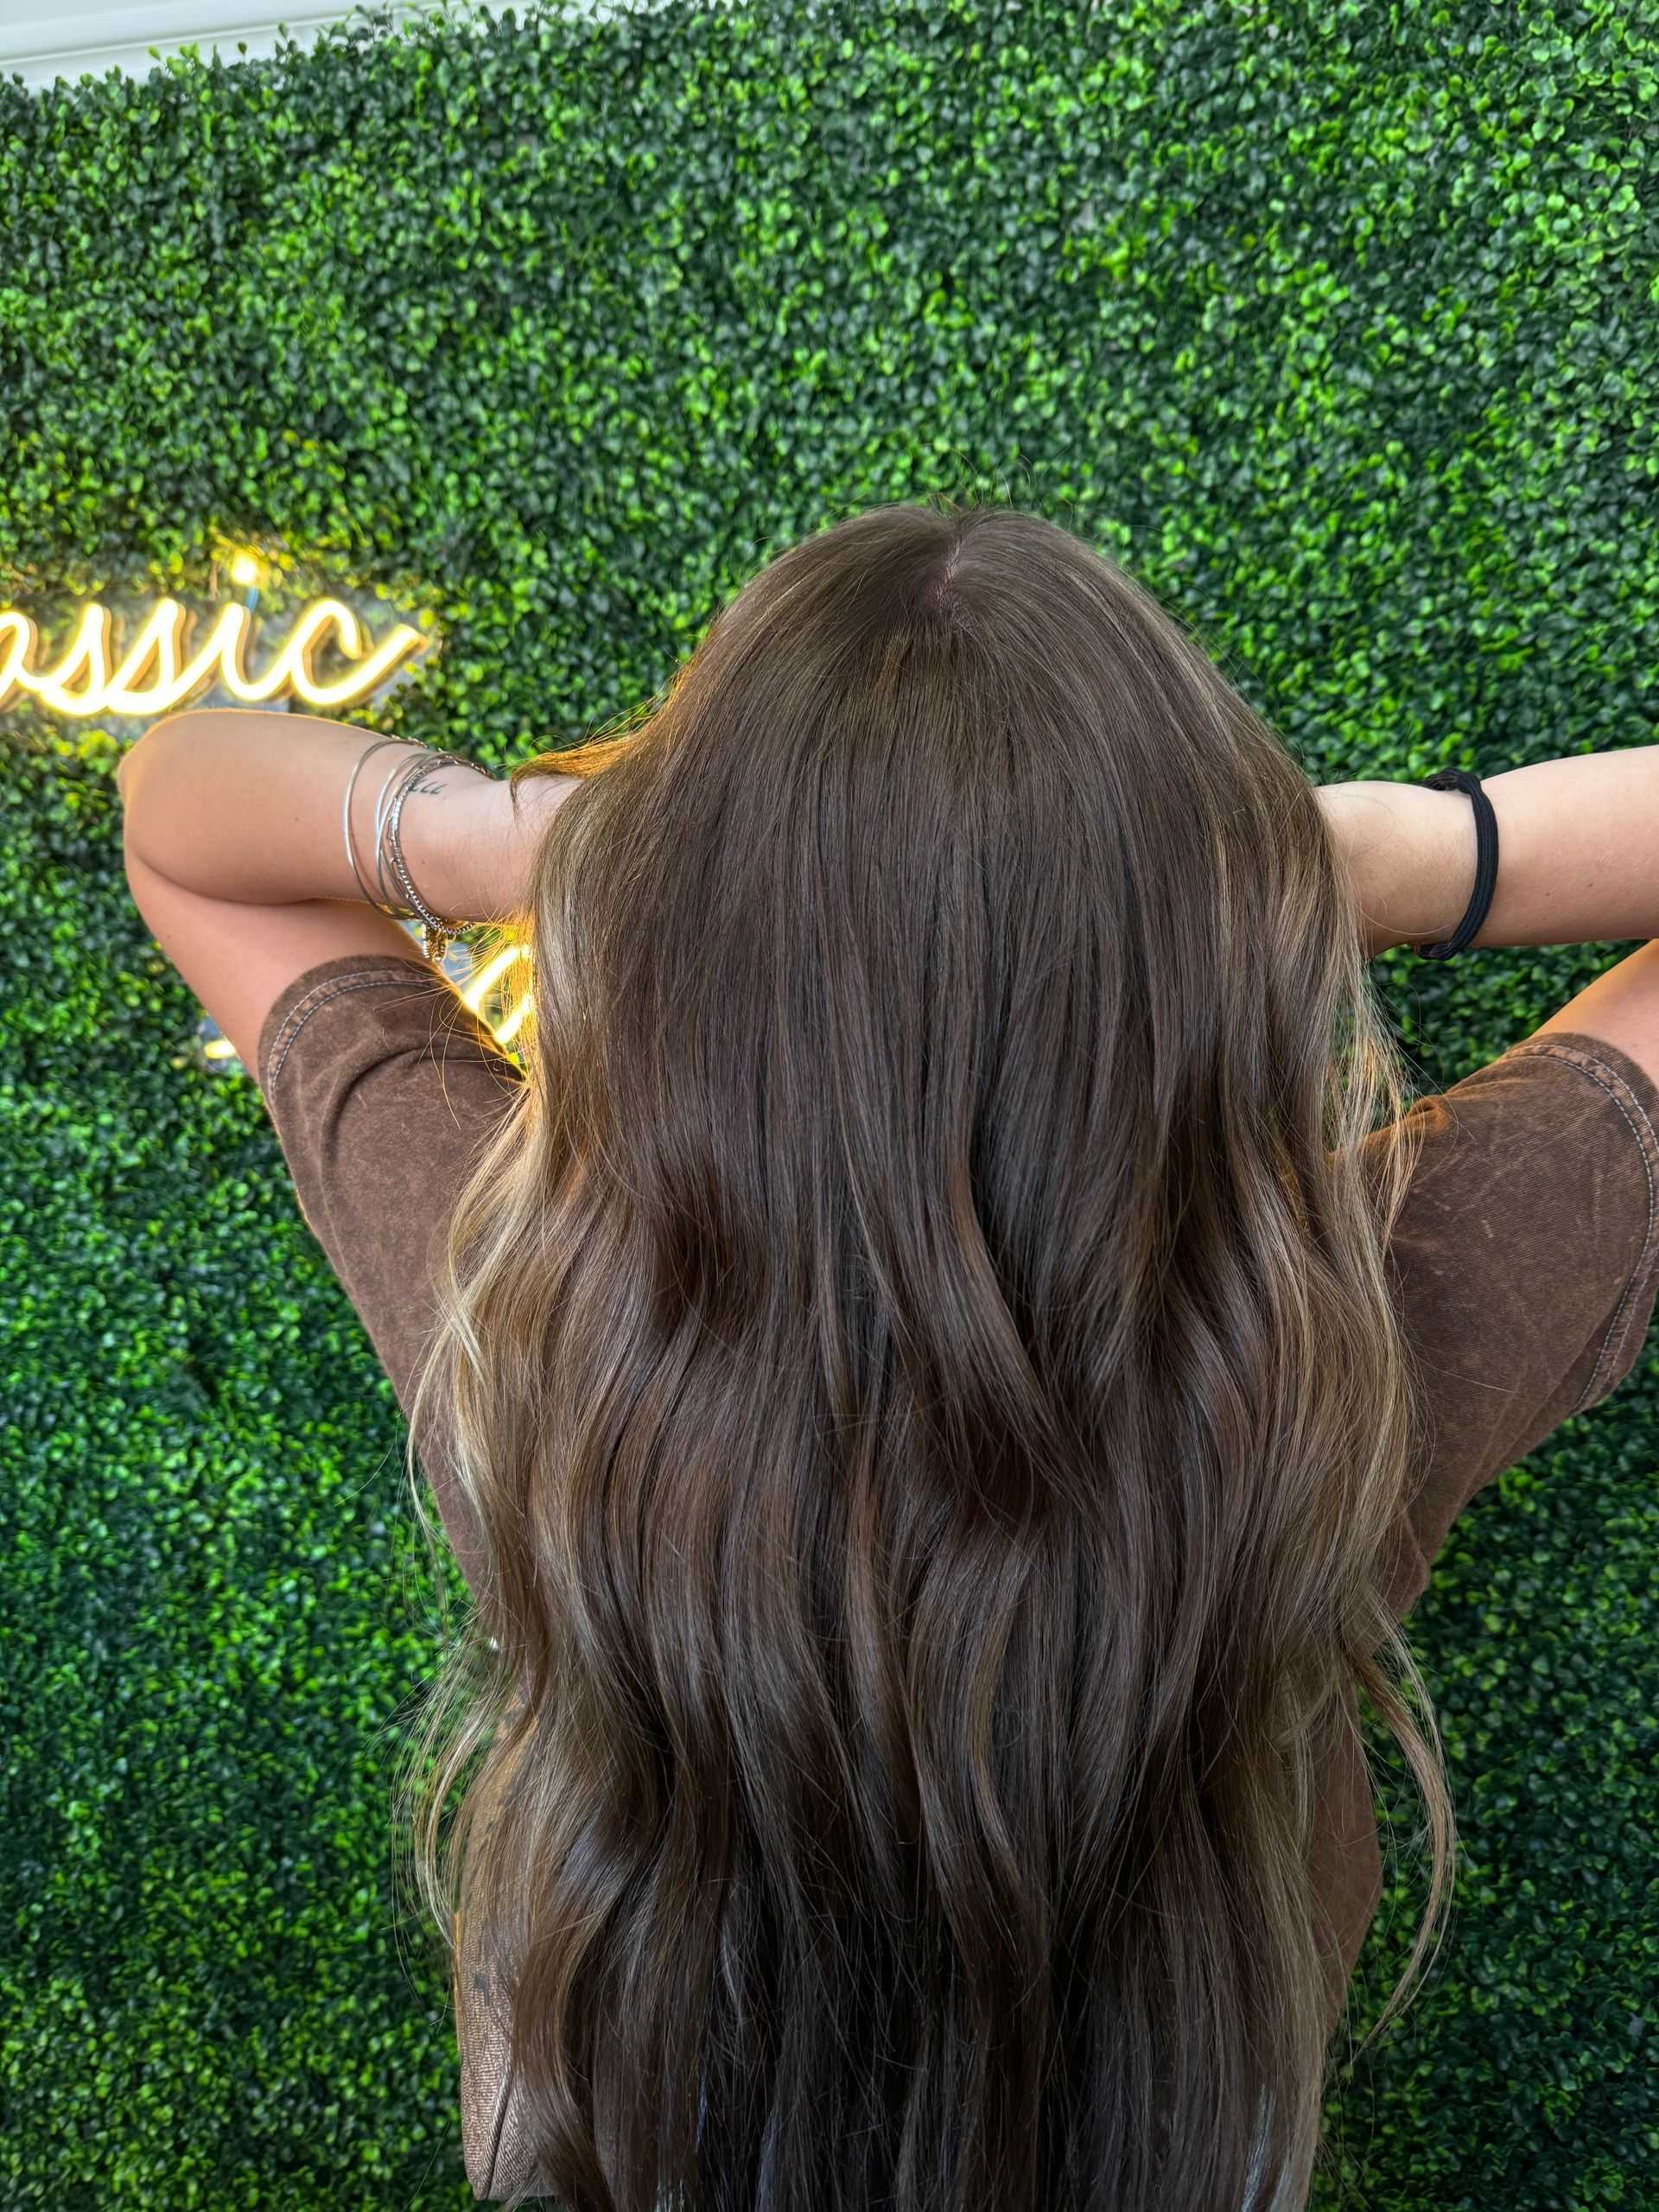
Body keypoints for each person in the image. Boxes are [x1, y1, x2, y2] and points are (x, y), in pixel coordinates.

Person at [229, 498, 1659, 2209]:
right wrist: (1355, 862)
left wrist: (542, 844)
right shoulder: (1358, 1328)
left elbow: (189, 812)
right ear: (1207, 982)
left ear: (680, 965)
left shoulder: (540, 1327)